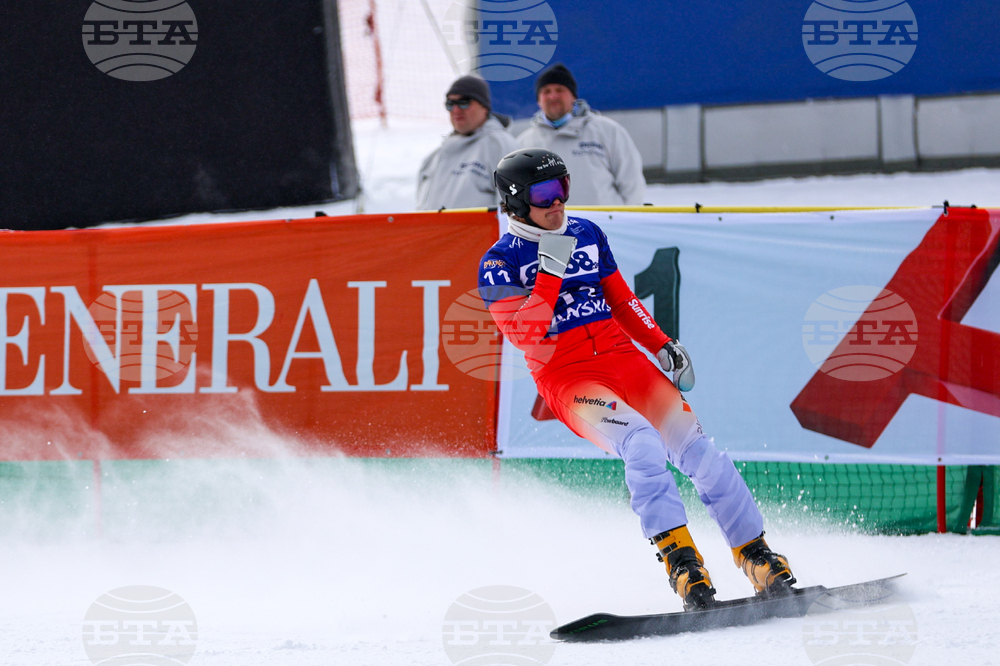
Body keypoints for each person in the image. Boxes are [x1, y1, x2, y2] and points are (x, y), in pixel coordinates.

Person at [477, 148, 795, 610]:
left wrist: (663, 344)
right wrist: (549, 273)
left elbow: (622, 300)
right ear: (515, 202)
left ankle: (756, 555)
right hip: (568, 378)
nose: (558, 203)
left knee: (698, 450)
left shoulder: (586, 232)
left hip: (625, 361)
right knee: (642, 443)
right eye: (544, 194)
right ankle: (683, 564)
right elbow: (527, 334)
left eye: (563, 187)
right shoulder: (498, 261)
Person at [517, 64, 646, 206]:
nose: (553, 96)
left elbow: (631, 182)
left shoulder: (607, 130)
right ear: (538, 100)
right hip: (549, 227)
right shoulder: (525, 143)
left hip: (603, 225)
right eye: (546, 91)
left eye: (560, 90)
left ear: (573, 96)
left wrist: (628, 219)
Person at [416, 75, 520, 211]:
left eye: (463, 102)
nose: (456, 110)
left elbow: (514, 211)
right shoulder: (434, 157)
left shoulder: (500, 145)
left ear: (484, 106)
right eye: (450, 104)